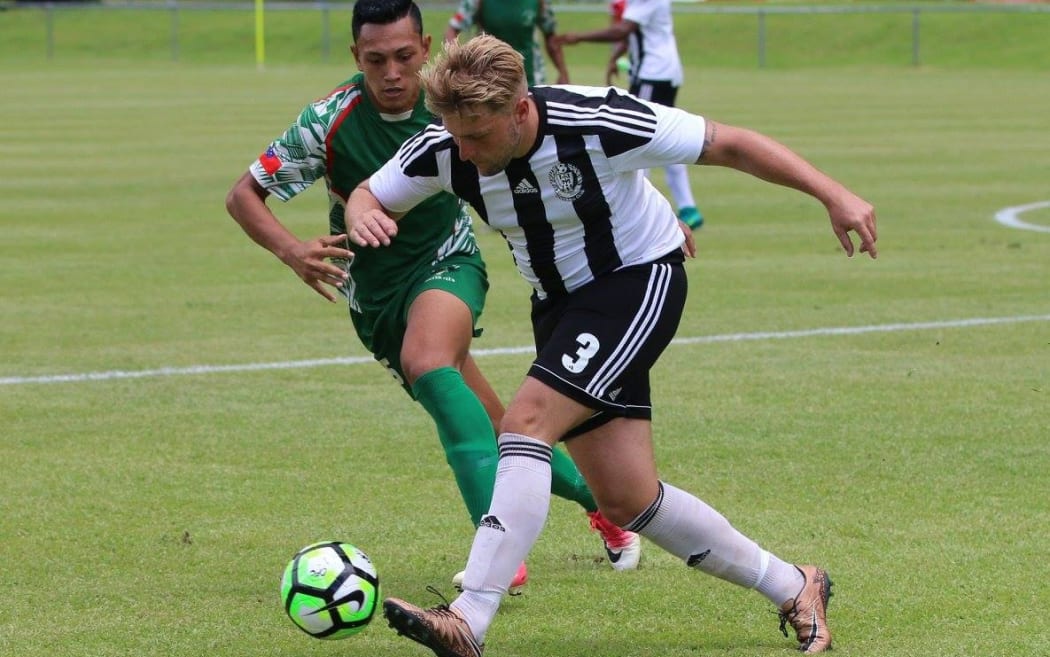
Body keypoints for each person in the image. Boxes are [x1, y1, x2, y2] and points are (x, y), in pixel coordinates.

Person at [345, 34, 877, 656]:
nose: (464, 151)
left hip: (635, 283)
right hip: (561, 307)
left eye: (478, 136)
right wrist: (361, 211)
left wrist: (832, 194)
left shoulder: (598, 120)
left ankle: (469, 617)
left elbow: (728, 143)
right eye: (456, 135)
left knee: (525, 424)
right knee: (626, 498)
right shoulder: (449, 147)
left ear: (519, 110)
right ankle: (796, 585)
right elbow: (372, 191)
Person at [224, 0, 641, 596]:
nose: (391, 73)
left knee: (429, 361)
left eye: (402, 56)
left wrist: (648, 220)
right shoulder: (328, 121)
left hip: (449, 262)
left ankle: (497, 557)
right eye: (375, 61)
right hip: (376, 299)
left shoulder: (453, 103)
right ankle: (604, 508)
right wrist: (292, 250)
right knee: (500, 431)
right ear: (356, 58)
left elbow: (570, 145)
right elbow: (244, 194)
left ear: (424, 48)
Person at [556, 0, 704, 230]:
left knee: (640, 139)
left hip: (653, 74)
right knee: (667, 135)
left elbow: (622, 30)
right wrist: (615, 58)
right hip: (662, 73)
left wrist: (578, 37)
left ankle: (638, 211)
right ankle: (688, 208)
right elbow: (632, 33)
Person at [444, 0, 571, 86]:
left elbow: (550, 36)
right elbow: (453, 29)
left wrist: (563, 73)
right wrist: (456, 63)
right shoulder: (476, 2)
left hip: (531, 77)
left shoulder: (539, 2)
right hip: (488, 77)